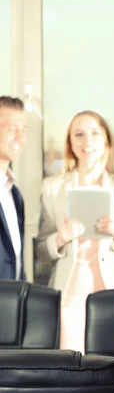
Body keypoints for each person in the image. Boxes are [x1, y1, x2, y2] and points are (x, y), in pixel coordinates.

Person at [36, 109, 114, 352]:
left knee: (109, 364)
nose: (87, 142)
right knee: (71, 365)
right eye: (79, 134)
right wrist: (61, 237)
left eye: (95, 133)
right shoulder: (52, 188)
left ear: (106, 139)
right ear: (70, 143)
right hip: (69, 292)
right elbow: (42, 251)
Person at [0, 96, 27, 280]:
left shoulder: (14, 195)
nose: (20, 137)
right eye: (11, 129)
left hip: (11, 303)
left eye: (23, 130)